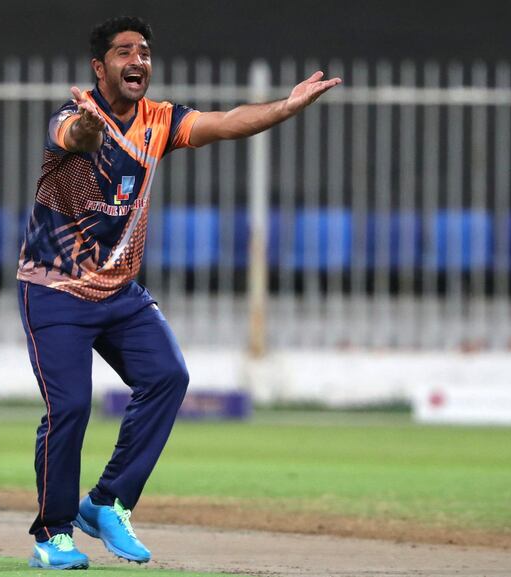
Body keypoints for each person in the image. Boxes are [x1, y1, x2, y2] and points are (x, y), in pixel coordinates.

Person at [17, 15, 341, 570]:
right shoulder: (72, 116)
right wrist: (88, 130)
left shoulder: (160, 121)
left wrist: (283, 108)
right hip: (55, 290)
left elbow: (227, 121)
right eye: (124, 52)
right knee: (70, 405)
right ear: (100, 67)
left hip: (119, 293)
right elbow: (73, 136)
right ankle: (52, 533)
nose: (137, 60)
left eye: (143, 51)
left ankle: (107, 502)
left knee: (168, 376)